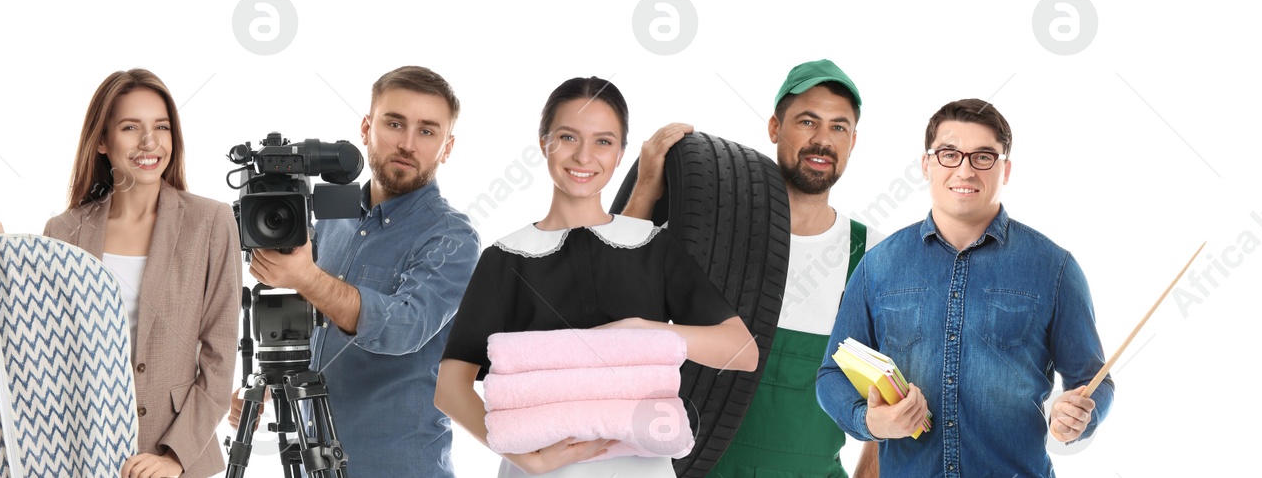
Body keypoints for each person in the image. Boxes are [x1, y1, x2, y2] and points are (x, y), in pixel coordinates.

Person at [436, 76, 759, 478]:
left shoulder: (653, 246)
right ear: (544, 143)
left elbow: (742, 351)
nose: (584, 156)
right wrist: (529, 460)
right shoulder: (506, 258)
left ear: (622, 152)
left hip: (643, 469)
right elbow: (450, 386)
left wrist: (642, 330)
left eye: (603, 141)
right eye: (568, 137)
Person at [815, 98, 1114, 476]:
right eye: (949, 154)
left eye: (984, 157)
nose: (966, 170)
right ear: (926, 164)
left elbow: (1093, 380)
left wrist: (1080, 416)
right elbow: (831, 374)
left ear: (1005, 170)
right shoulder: (879, 265)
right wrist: (869, 422)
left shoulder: (1055, 268)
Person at [0, 68, 241, 478]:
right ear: (101, 140)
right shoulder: (63, 231)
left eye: (161, 127)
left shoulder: (211, 221)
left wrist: (173, 459)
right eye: (131, 127)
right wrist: (3, 253)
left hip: (178, 461)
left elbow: (220, 360)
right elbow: (39, 343)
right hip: (80, 455)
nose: (149, 142)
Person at [623, 59, 885, 477]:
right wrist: (645, 190)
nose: (823, 140)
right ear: (774, 129)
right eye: (807, 121)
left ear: (853, 142)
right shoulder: (711, 232)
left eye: (839, 127)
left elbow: (889, 392)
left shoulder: (872, 254)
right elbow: (610, 299)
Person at [234, 65, 482, 477]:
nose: (406, 143)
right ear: (366, 128)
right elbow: (305, 314)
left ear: (447, 146)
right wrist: (267, 384)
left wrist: (307, 277)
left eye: (427, 130)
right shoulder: (325, 216)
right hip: (317, 463)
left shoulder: (452, 237)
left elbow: (404, 326)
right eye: (394, 123)